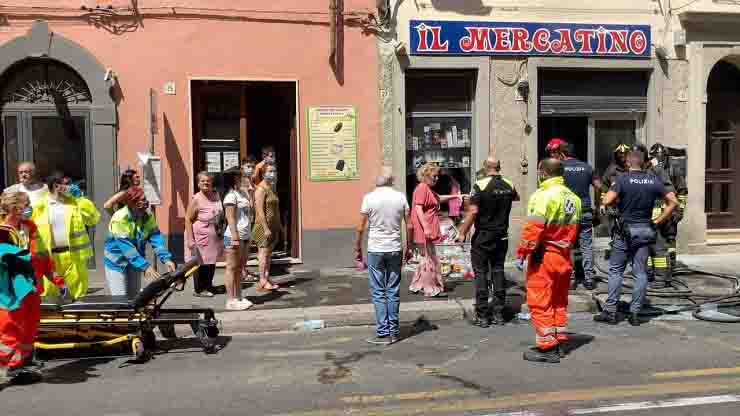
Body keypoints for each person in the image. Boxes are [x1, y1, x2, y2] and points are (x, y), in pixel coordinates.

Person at [595, 149, 678, 326]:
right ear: (643, 162)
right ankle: (635, 313)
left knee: (616, 271)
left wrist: (608, 204)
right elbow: (674, 201)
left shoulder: (622, 180)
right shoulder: (653, 180)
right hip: (646, 230)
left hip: (625, 231)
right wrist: (658, 220)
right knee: (640, 272)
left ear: (628, 163)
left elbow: (606, 200)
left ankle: (610, 312)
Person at [515, 158, 581, 363]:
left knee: (540, 301)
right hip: (564, 256)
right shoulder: (574, 198)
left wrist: (522, 251)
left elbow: (534, 227)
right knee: (559, 301)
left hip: (544, 256)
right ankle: (559, 340)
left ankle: (547, 347)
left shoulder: (543, 195)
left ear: (543, 173)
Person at [0, 192, 60, 384]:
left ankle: (19, 366)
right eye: (26, 204)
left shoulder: (29, 228)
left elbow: (42, 256)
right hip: (10, 289)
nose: (30, 208)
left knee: (29, 327)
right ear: (15, 208)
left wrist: (54, 278)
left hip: (30, 287)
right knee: (10, 330)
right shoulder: (2, 231)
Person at [457, 157, 519, 328]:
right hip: (502, 235)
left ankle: (483, 315)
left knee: (481, 273)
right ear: (499, 167)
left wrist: (462, 232)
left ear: (485, 168)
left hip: (484, 235)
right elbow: (516, 197)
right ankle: (499, 313)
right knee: (498, 271)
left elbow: (473, 211)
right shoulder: (509, 184)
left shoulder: (480, 185)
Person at [355, 173, 412, 345]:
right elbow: (409, 224)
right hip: (395, 248)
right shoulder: (400, 197)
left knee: (379, 291)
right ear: (392, 181)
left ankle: (383, 332)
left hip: (376, 249)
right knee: (393, 290)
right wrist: (408, 246)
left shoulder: (369, 198)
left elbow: (360, 227)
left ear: (377, 182)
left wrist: (357, 247)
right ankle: (394, 332)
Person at [32, 171, 100, 299]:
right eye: (67, 184)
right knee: (49, 297)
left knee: (78, 295)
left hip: (73, 257)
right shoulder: (38, 206)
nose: (72, 186)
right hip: (49, 259)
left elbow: (93, 219)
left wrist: (80, 198)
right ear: (57, 186)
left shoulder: (74, 203)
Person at [103, 187, 177, 299]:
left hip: (135, 261)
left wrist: (166, 258)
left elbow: (155, 237)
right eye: (142, 200)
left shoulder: (147, 216)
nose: (145, 203)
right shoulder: (120, 218)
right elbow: (127, 249)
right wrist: (146, 266)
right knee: (120, 299)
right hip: (116, 262)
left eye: (145, 199)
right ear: (131, 203)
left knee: (135, 299)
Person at [552, 142, 603, 290]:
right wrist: (598, 205)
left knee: (566, 246)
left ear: (562, 154)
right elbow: (599, 186)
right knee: (586, 246)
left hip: (567, 213)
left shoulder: (560, 168)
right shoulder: (587, 167)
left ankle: (570, 278)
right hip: (585, 210)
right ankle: (589, 279)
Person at [409, 163, 462, 297]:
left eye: (437, 176)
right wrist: (426, 228)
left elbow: (438, 198)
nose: (436, 179)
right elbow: (418, 208)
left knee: (425, 258)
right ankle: (430, 288)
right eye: (434, 176)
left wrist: (455, 196)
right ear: (426, 175)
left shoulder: (427, 189)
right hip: (426, 229)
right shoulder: (422, 188)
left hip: (428, 227)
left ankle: (418, 285)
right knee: (430, 259)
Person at [647, 143, 688, 288]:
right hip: (654, 213)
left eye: (661, 156)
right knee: (652, 246)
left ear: (666, 157)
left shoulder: (674, 169)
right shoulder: (648, 169)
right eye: (655, 156)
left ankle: (669, 272)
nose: (659, 159)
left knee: (669, 244)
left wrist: (680, 210)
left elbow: (682, 191)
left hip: (670, 213)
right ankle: (652, 273)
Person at [185, 172, 224, 298]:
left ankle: (208, 285)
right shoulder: (196, 199)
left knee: (211, 262)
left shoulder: (216, 195)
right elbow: (188, 219)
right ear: (198, 184)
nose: (206, 183)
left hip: (214, 234)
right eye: (203, 181)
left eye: (208, 181)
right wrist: (190, 240)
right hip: (200, 235)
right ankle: (199, 289)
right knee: (201, 263)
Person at [222, 167, 254, 311]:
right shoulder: (230, 196)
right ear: (234, 179)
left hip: (245, 235)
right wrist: (235, 237)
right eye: (240, 176)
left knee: (240, 268)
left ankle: (239, 296)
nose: (243, 178)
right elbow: (230, 217)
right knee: (231, 267)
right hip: (234, 236)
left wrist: (251, 193)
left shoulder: (243, 193)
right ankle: (231, 299)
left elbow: (249, 212)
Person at [251, 162, 282, 292]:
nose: (273, 174)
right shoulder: (261, 189)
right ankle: (262, 280)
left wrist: (279, 226)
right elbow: (259, 211)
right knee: (263, 253)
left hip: (272, 226)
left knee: (269, 254)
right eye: (270, 171)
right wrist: (265, 228)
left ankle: (266, 278)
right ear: (263, 174)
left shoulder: (271, 187)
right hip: (263, 227)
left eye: (274, 171)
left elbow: (275, 209)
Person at [240, 156, 260, 282]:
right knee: (242, 248)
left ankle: (244, 269)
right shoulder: (241, 182)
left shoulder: (251, 181)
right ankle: (241, 272)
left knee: (247, 248)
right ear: (242, 167)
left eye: (252, 167)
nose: (251, 169)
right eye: (248, 166)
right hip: (242, 220)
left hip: (250, 218)